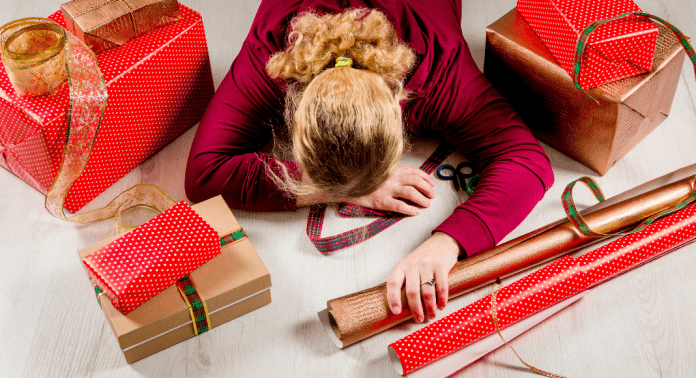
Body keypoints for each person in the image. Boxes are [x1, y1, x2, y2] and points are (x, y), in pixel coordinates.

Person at [185, 0, 554, 324]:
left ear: (399, 110)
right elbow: (205, 173)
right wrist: (344, 185)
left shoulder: (440, 71)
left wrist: (447, 244)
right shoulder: (272, 59)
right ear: (294, 110)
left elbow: (526, 160)